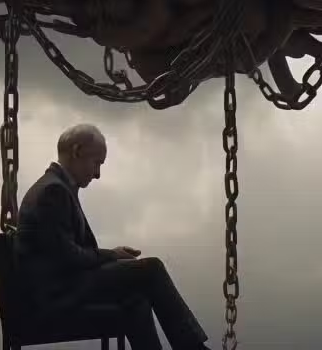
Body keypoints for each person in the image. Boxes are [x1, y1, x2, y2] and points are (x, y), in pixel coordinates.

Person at [14, 123, 211, 350]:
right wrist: (111, 255)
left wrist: (112, 257)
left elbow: (65, 253)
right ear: (77, 152)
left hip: (60, 289)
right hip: (57, 296)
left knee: (136, 301)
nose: (97, 174)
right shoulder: (53, 191)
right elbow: (68, 257)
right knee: (151, 269)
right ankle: (192, 347)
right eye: (96, 163)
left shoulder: (55, 187)